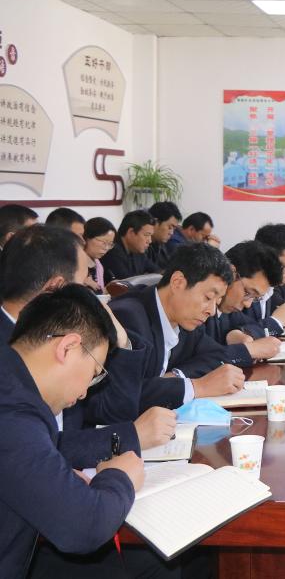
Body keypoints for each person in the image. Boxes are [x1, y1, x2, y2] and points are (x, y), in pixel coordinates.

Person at [0, 226, 176, 471]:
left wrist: (121, 341)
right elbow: (30, 450)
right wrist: (130, 436)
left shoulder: (69, 336)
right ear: (55, 288)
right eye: (83, 283)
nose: (92, 291)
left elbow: (113, 412)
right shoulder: (18, 357)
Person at [0, 284, 144, 578]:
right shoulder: (11, 410)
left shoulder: (11, 385)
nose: (83, 393)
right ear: (67, 347)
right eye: (94, 374)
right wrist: (119, 477)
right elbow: (83, 527)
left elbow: (36, 451)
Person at [110, 243, 247, 413]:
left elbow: (217, 354)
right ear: (178, 282)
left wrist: (176, 376)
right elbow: (122, 397)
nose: (212, 311)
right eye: (208, 297)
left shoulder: (185, 319)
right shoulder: (128, 317)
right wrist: (197, 386)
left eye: (217, 301)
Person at [206, 241, 284, 359]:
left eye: (255, 298)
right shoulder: (198, 308)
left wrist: (240, 333)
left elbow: (253, 325)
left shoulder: (230, 311)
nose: (248, 304)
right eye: (247, 292)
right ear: (231, 273)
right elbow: (202, 358)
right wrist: (248, 350)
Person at [245, 223, 285, 335]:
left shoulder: (270, 289)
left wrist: (281, 322)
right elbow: (242, 332)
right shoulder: (244, 287)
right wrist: (276, 322)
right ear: (267, 258)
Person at [100, 210, 161, 280]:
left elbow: (157, 271)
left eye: (150, 236)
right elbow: (128, 283)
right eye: (146, 235)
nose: (150, 241)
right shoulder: (112, 252)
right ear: (131, 232)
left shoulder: (136, 250)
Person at [82, 217, 116, 293]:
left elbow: (99, 295)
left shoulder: (98, 265)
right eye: (103, 242)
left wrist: (106, 290)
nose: (106, 248)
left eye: (110, 244)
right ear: (87, 237)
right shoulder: (75, 261)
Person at [147, 201, 182, 269]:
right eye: (170, 227)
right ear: (155, 222)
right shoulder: (140, 246)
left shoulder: (161, 245)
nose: (171, 233)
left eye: (174, 229)